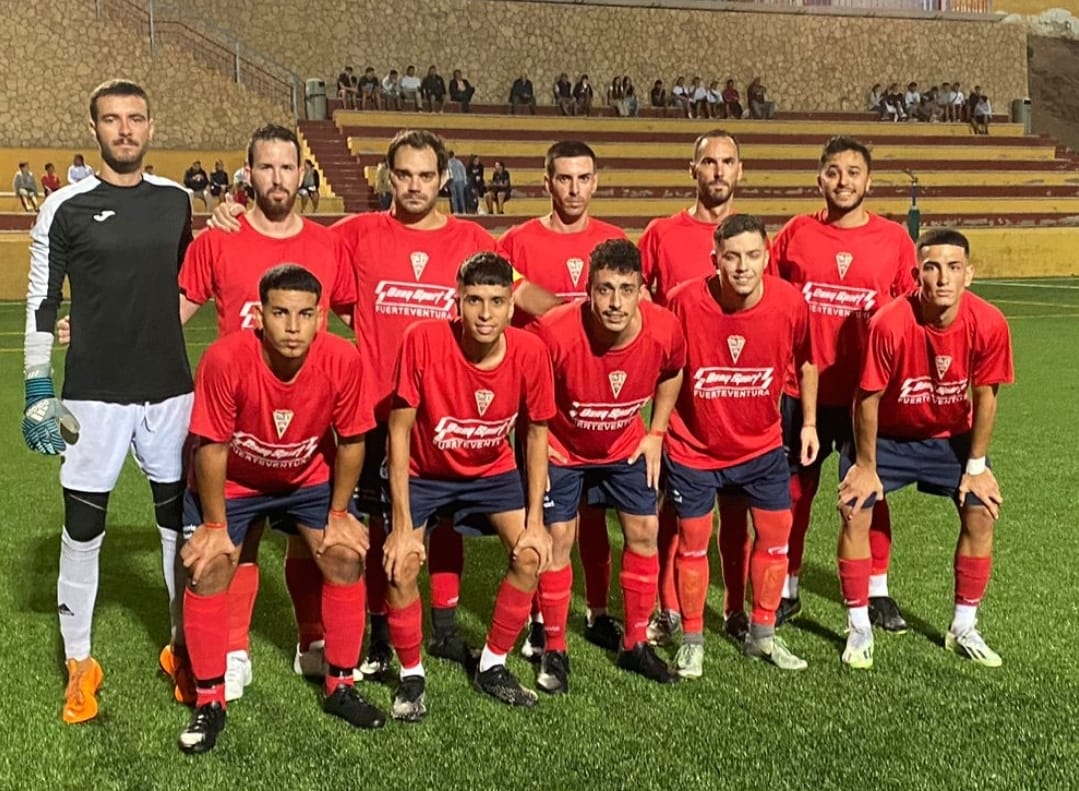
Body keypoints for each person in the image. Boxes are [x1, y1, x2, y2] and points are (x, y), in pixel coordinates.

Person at [209, 129, 559, 684]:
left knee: (447, 521)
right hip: (374, 410)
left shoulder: (472, 239)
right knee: (377, 527)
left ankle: (443, 624)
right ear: (388, 177)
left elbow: (518, 293)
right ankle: (376, 634)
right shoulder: (354, 235)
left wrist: (576, 317)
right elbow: (290, 249)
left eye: (427, 175)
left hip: (450, 412)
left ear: (443, 179)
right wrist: (234, 217)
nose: (415, 186)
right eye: (405, 175)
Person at [22, 79, 193, 724]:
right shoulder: (63, 207)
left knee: (178, 528)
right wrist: (37, 386)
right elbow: (43, 300)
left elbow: (193, 283)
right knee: (83, 527)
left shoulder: (177, 201)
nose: (125, 129)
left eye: (136, 118)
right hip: (93, 395)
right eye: (112, 119)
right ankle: (80, 663)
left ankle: (182, 647)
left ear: (150, 126)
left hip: (171, 390)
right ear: (93, 128)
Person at [176, 264, 383, 754]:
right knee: (209, 566)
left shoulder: (343, 359)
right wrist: (214, 525)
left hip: (308, 478)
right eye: (280, 313)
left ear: (321, 317)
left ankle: (341, 684)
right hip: (235, 481)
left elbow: (352, 440)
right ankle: (210, 700)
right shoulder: (225, 359)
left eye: (305, 314)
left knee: (345, 557)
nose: (293, 327)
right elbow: (211, 447)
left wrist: (339, 514)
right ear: (259, 315)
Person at [382, 252, 555, 720]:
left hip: (490, 472)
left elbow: (536, 435)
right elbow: (399, 430)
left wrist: (536, 521)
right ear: (456, 302)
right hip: (424, 472)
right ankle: (411, 675)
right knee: (401, 564)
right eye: (474, 300)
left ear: (511, 307)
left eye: (496, 301)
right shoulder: (423, 340)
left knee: (532, 554)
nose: (484, 313)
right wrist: (401, 526)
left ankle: (493, 664)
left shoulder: (530, 351)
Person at [836, 229, 1013, 670]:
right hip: (887, 438)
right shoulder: (889, 323)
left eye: (954, 267)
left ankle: (963, 628)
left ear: (969, 274)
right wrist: (865, 465)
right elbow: (867, 399)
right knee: (856, 508)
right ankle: (859, 627)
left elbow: (986, 396)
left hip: (948, 439)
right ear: (917, 276)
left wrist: (976, 466)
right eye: (932, 268)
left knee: (982, 510)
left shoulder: (990, 322)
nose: (943, 278)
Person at [768, 136, 917, 632]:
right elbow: (770, 299)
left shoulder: (894, 239)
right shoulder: (795, 233)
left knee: (869, 491)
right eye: (833, 171)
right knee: (794, 493)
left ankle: (877, 590)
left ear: (868, 181)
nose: (843, 181)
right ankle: (786, 588)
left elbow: (910, 313)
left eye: (854, 172)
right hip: (800, 389)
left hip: (866, 393)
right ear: (820, 179)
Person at [665, 213, 819, 678]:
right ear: (714, 258)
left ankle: (763, 635)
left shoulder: (790, 302)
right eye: (731, 257)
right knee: (693, 543)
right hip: (694, 447)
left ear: (767, 256)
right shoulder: (682, 301)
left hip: (762, 446)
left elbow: (807, 361)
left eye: (752, 255)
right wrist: (656, 431)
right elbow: (665, 367)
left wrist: (809, 423)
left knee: (776, 537)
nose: (742, 267)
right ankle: (692, 640)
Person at [532, 239, 684, 692]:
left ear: (641, 291)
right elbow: (527, 389)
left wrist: (656, 431)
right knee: (558, 539)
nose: (615, 302)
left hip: (624, 446)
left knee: (645, 531)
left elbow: (673, 370)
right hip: (565, 449)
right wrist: (541, 443)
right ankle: (554, 648)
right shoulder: (555, 332)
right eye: (604, 290)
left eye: (626, 289)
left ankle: (635, 643)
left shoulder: (664, 329)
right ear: (588, 290)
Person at [497, 141, 626, 659]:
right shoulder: (516, 241)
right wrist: (577, 316)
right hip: (539, 405)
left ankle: (597, 611)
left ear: (596, 182)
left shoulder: (614, 240)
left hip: (599, 401)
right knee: (548, 516)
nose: (574, 189)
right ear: (546, 181)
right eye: (564, 178)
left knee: (595, 514)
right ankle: (538, 619)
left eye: (584, 178)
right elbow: (510, 296)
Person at [637, 130, 749, 647]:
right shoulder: (661, 233)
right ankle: (667, 609)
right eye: (709, 162)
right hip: (679, 400)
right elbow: (640, 299)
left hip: (740, 395)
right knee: (675, 509)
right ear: (693, 170)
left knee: (738, 510)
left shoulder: (752, 238)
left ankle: (735, 608)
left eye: (727, 162)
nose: (718, 171)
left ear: (740, 170)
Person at [447, 150, 469, 214]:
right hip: (459, 181)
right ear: (454, 155)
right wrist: (465, 181)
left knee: (454, 197)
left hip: (453, 181)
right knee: (461, 196)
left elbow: (447, 173)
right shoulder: (458, 162)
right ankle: (463, 211)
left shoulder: (448, 163)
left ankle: (456, 211)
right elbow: (463, 171)